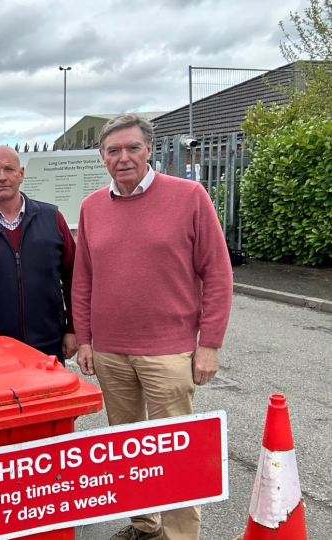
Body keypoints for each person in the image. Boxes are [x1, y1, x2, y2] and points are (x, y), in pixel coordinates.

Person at [72, 114, 233, 540]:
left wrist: (209, 344)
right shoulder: (91, 207)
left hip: (169, 350)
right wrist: (85, 339)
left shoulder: (189, 196)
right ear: (102, 157)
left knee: (176, 451)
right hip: (110, 352)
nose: (123, 158)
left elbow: (217, 273)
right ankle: (145, 525)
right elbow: (83, 279)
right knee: (126, 448)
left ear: (149, 150)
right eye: (113, 150)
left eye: (132, 148)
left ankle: (179, 536)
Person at [0, 145, 76, 363]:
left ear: (21, 174)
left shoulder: (52, 218)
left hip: (48, 345)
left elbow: (74, 277)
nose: (2, 177)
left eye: (9, 169)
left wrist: (73, 328)